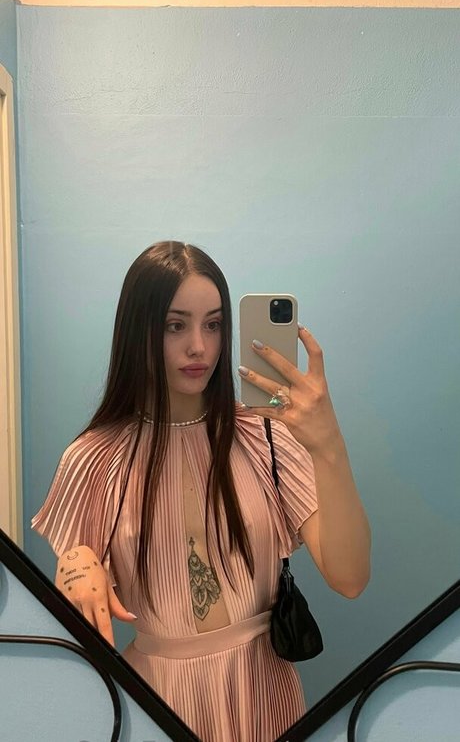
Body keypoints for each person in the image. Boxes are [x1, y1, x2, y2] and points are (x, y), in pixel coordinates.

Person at [31, 241, 371, 742]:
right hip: (158, 699)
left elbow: (350, 578)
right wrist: (75, 563)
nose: (199, 347)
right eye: (176, 326)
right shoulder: (95, 459)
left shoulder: (264, 436)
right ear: (138, 331)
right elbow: (74, 612)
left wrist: (329, 443)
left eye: (213, 325)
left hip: (263, 693)